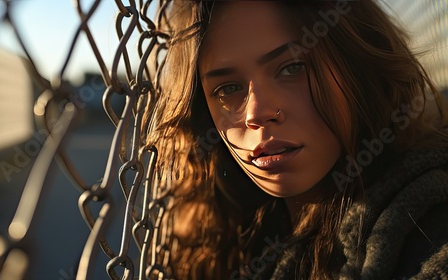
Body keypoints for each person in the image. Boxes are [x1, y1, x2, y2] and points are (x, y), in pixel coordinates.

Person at [144, 0, 448, 279]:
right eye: (227, 88)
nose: (256, 114)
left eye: (292, 68)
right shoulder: (217, 230)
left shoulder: (425, 224)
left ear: (358, 66)